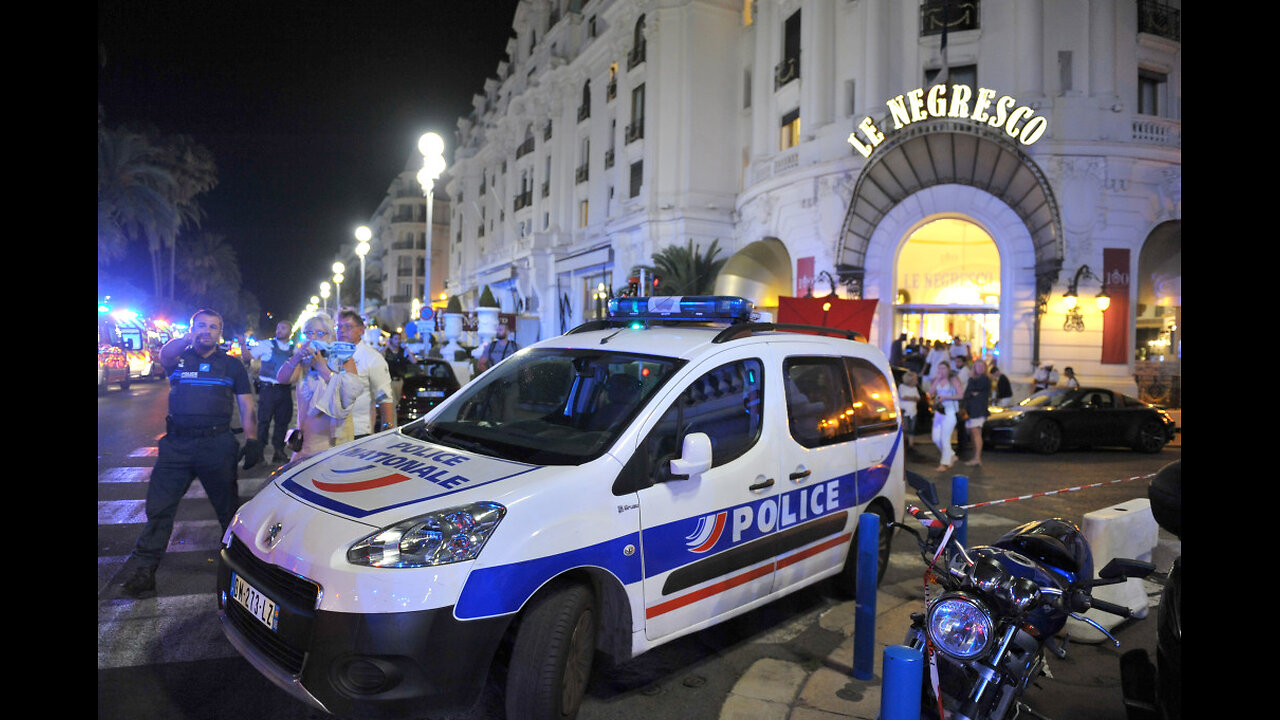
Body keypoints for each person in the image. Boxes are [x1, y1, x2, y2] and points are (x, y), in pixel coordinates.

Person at [121, 309, 262, 598]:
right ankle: (144, 571)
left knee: (228, 513)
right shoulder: (179, 358)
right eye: (201, 326)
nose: (207, 331)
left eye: (213, 327)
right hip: (177, 446)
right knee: (159, 510)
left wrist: (253, 440)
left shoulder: (232, 366)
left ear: (220, 333)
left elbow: (247, 405)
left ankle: (239, 572)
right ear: (191, 329)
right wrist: (188, 337)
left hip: (217, 444)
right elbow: (164, 354)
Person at [277, 312, 362, 459]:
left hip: (333, 443)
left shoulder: (344, 360)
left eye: (320, 333)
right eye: (309, 333)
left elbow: (348, 395)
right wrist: (297, 356)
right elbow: (282, 379)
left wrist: (323, 369)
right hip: (306, 443)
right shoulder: (303, 362)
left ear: (331, 337)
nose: (314, 337)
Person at [337, 309, 395, 438]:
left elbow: (384, 398)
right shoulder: (331, 356)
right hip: (330, 431)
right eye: (339, 326)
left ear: (361, 330)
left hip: (358, 432)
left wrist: (387, 435)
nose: (342, 330)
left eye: (348, 326)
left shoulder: (372, 358)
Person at [250, 320, 296, 464]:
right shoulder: (266, 345)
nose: (279, 330)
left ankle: (278, 451)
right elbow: (250, 356)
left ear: (290, 331)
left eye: (283, 328)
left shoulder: (293, 350)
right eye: (278, 328)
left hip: (284, 390)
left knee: (282, 422)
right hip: (267, 389)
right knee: (263, 421)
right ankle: (259, 453)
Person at [930, 361, 964, 471]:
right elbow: (931, 392)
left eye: (943, 368)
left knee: (945, 438)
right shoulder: (938, 379)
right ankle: (951, 455)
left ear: (948, 369)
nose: (941, 371)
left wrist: (946, 397)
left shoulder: (953, 379)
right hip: (940, 411)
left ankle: (944, 463)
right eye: (939, 368)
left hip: (950, 411)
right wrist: (936, 380)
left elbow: (960, 395)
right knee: (936, 438)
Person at [963, 359, 992, 466]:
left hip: (978, 410)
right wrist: (971, 393)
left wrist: (971, 390)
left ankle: (977, 457)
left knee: (976, 434)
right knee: (974, 434)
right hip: (972, 410)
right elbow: (968, 393)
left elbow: (974, 390)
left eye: (981, 366)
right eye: (977, 366)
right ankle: (976, 457)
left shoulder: (984, 379)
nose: (979, 368)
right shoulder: (975, 379)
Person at [384, 331, 417, 412]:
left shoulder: (403, 352)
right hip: (389, 381)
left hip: (400, 381)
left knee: (397, 403)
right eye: (395, 339)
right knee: (392, 403)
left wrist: (406, 348)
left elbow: (414, 361)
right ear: (391, 339)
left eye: (399, 339)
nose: (398, 341)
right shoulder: (387, 352)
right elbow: (378, 357)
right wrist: (386, 346)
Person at [898, 370, 920, 450]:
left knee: (912, 428)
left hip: (913, 411)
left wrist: (910, 398)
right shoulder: (902, 387)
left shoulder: (914, 388)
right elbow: (903, 397)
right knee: (906, 428)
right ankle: (905, 444)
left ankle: (911, 444)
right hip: (904, 410)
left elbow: (918, 398)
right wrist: (913, 398)